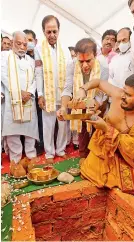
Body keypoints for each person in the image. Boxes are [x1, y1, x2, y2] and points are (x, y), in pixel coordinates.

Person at [74, 72, 134, 196]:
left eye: (128, 95)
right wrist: (83, 89)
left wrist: (106, 129)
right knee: (90, 173)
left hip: (126, 158)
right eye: (124, 91)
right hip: (104, 150)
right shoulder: (118, 94)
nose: (122, 96)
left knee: (133, 186)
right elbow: (98, 82)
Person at [57, 38, 109, 161]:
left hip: (98, 103)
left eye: (88, 61)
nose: (84, 65)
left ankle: (96, 161)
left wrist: (92, 109)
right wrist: (63, 108)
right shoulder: (72, 64)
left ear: (95, 55)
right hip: (79, 104)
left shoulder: (104, 67)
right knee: (83, 132)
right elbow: (68, 88)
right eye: (81, 61)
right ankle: (83, 158)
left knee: (98, 134)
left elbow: (101, 95)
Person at [1, 31, 39, 177]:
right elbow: (3, 75)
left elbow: (35, 78)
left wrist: (29, 92)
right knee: (13, 133)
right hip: (13, 99)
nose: (22, 47)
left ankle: (31, 159)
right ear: (12, 43)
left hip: (28, 100)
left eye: (24, 44)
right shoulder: (4, 56)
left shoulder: (30, 59)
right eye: (19, 43)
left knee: (30, 132)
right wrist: (18, 92)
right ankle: (16, 164)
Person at [34, 15, 70, 163]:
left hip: (62, 95)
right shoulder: (38, 49)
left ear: (59, 30)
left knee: (62, 124)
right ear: (43, 32)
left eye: (54, 31)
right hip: (47, 95)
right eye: (48, 32)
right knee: (48, 125)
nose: (52, 35)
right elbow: (38, 73)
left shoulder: (65, 49)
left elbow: (68, 73)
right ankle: (49, 152)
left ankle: (60, 150)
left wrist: (68, 94)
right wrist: (40, 94)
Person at [23, 29, 44, 156]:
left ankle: (40, 145)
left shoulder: (41, 54)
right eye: (25, 40)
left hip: (40, 94)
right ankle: (27, 149)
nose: (28, 43)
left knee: (41, 121)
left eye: (30, 40)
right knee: (27, 121)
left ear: (35, 41)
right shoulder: (20, 57)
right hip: (26, 95)